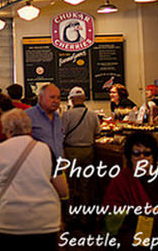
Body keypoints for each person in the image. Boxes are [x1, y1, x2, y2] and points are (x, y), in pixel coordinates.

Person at [0, 109, 68, 251]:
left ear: (6, 130)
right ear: (28, 127)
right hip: (45, 221)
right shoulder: (46, 150)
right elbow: (62, 190)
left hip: (10, 221)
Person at [103, 132, 158, 249]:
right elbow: (110, 214)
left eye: (147, 153)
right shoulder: (121, 180)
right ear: (130, 156)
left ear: (153, 156)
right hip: (135, 235)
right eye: (136, 153)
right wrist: (137, 214)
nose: (142, 158)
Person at [60, 86, 100, 224]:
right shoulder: (92, 114)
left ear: (71, 99)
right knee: (85, 186)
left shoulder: (67, 115)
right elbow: (97, 133)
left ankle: (71, 217)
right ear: (84, 98)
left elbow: (61, 133)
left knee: (70, 185)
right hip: (88, 151)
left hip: (71, 152)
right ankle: (85, 218)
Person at [25, 83, 64, 160]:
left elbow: (59, 143)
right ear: (40, 98)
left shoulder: (57, 117)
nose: (56, 101)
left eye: (58, 98)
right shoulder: (28, 116)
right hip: (38, 165)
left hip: (57, 167)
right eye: (52, 97)